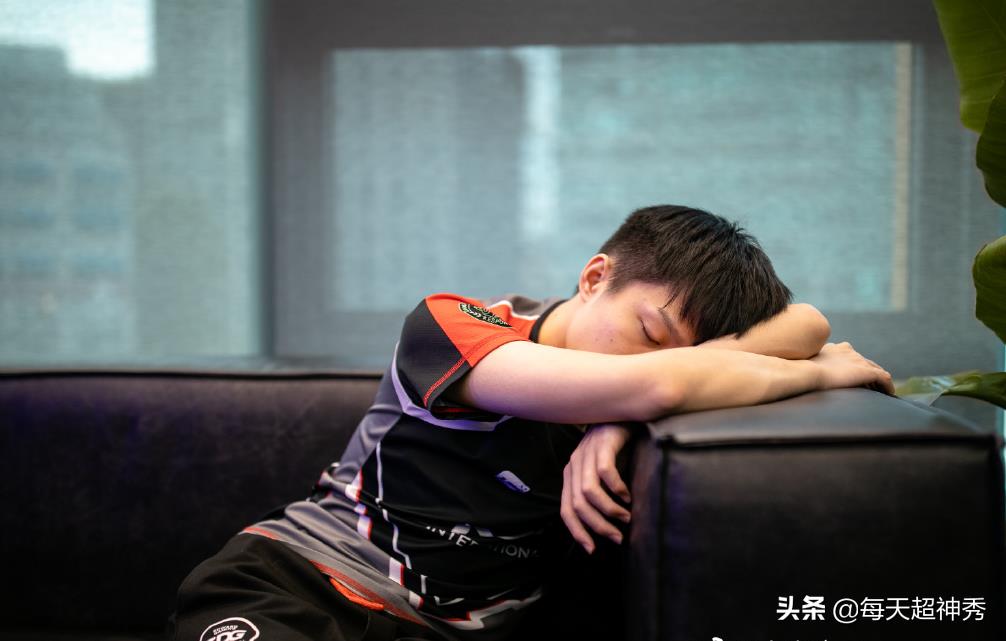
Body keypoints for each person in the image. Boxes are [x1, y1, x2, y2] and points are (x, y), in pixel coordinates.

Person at [168, 205, 893, 641]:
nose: (656, 360)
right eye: (649, 330)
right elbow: (664, 381)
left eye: (684, 353)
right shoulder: (458, 326)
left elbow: (807, 320)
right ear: (595, 277)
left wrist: (614, 427)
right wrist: (819, 373)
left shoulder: (627, 390)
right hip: (298, 585)